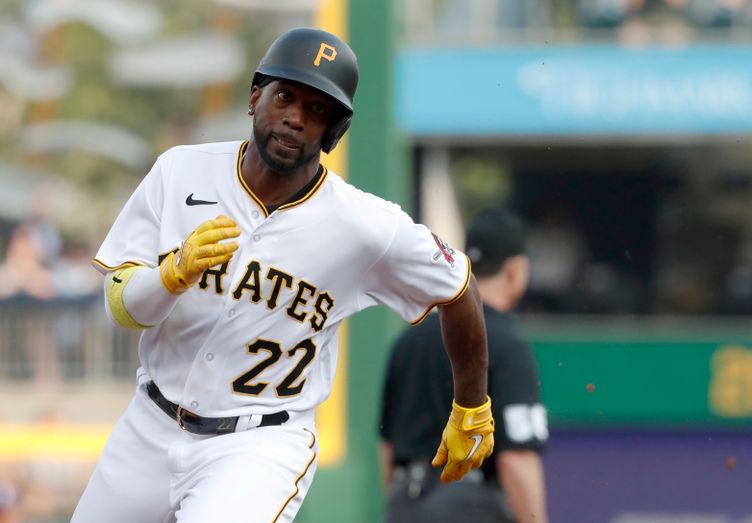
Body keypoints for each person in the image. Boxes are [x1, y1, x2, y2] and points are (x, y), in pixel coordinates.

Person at [72, 27, 494, 523]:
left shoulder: (365, 225)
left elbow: (458, 286)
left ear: (333, 131)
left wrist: (471, 402)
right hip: (150, 423)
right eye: (285, 96)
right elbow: (120, 306)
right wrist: (169, 276)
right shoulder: (180, 172)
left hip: (259, 444)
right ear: (256, 97)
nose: (295, 118)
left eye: (317, 110)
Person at [380, 209, 549, 523]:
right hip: (473, 507)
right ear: (515, 270)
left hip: (406, 502)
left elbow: (388, 445)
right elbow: (517, 457)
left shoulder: (409, 339)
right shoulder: (508, 344)